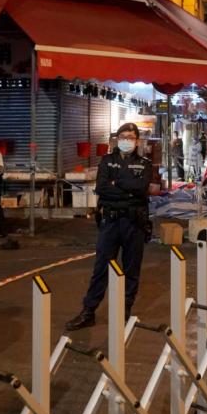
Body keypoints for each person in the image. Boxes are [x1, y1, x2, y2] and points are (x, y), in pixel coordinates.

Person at [66, 123, 155, 330]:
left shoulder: (145, 163)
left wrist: (118, 184)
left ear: (137, 141)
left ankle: (124, 310)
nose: (126, 140)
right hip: (111, 222)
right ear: (117, 139)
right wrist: (127, 188)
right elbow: (102, 189)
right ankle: (88, 311)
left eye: (131, 137)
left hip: (134, 223)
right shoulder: (107, 161)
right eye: (123, 136)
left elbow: (142, 189)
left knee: (131, 269)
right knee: (101, 268)